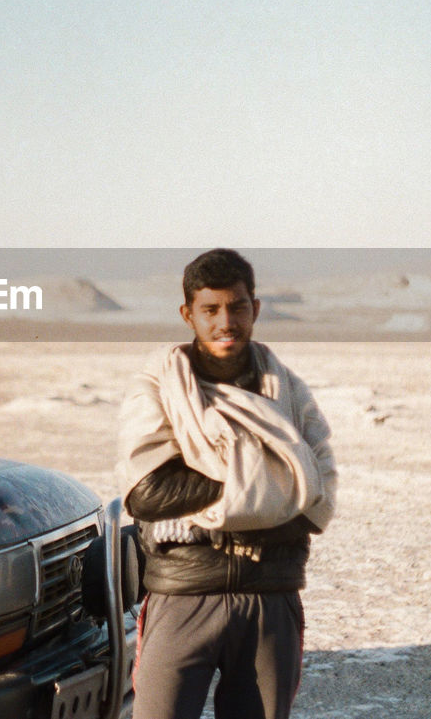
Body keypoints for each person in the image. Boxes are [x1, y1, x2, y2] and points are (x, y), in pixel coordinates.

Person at [116, 248, 337, 719]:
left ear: (255, 308)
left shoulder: (289, 391)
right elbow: (147, 492)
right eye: (210, 309)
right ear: (188, 314)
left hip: (271, 598)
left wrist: (214, 510)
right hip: (183, 594)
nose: (226, 322)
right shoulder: (160, 386)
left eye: (237, 307)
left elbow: (319, 496)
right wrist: (268, 487)